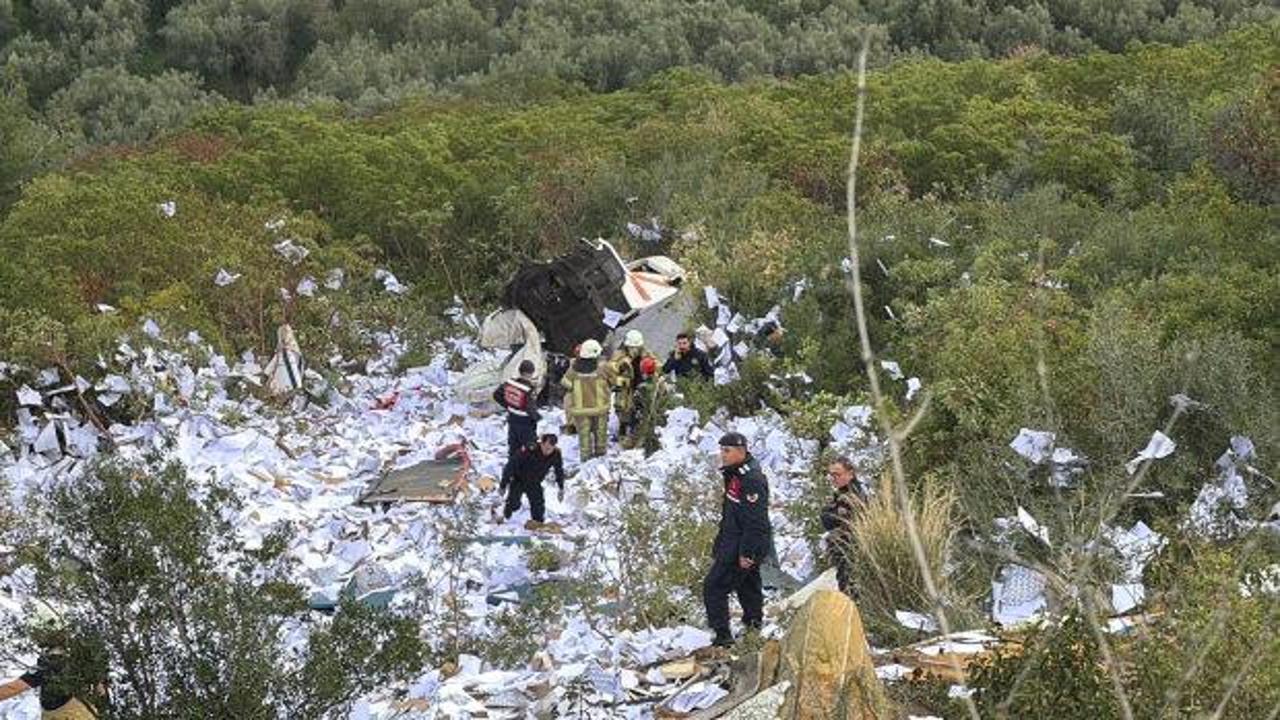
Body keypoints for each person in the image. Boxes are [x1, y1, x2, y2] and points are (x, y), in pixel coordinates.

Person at [702, 432, 773, 648]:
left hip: (744, 543)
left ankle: (722, 636)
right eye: (721, 450)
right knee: (748, 585)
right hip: (733, 540)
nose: (722, 455)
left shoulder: (751, 479)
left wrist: (747, 553)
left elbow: (755, 521)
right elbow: (731, 514)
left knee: (714, 586)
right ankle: (753, 628)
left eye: (727, 451)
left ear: (741, 451)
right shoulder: (735, 474)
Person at [0, 619, 97, 719]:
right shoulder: (77, 658)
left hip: (66, 712)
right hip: (81, 710)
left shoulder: (51, 663)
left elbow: (15, 687)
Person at [820, 456, 863, 598]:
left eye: (837, 474)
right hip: (843, 550)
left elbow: (833, 520)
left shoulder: (852, 496)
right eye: (831, 475)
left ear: (850, 474)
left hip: (850, 551)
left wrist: (827, 514)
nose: (833, 478)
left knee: (850, 590)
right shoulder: (842, 493)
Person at [561, 339, 611, 460]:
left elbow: (565, 384)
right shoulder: (602, 368)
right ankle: (600, 455)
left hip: (581, 409)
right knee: (600, 433)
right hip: (599, 408)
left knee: (584, 436)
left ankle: (585, 457)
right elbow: (613, 382)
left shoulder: (573, 370)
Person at [607, 330, 658, 446]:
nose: (634, 350)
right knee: (623, 408)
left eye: (636, 347)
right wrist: (621, 365)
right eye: (631, 347)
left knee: (640, 408)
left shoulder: (645, 352)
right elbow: (611, 367)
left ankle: (637, 432)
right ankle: (622, 432)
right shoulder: (619, 354)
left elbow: (656, 364)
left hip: (640, 383)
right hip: (625, 387)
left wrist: (651, 367)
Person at [500, 434, 566, 523]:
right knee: (513, 503)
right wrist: (503, 484)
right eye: (546, 448)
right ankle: (506, 520)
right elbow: (511, 465)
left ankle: (538, 524)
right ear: (541, 443)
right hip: (519, 479)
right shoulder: (530, 449)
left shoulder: (556, 453)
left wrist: (561, 487)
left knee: (538, 505)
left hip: (535, 482)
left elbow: (559, 470)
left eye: (551, 448)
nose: (548, 451)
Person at [493, 360, 540, 458]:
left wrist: (508, 405)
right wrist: (537, 418)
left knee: (513, 447)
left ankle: (512, 468)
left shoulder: (509, 383)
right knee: (530, 447)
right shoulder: (528, 389)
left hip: (512, 418)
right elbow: (530, 408)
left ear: (519, 371)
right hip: (525, 422)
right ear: (531, 373)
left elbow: (496, 395)